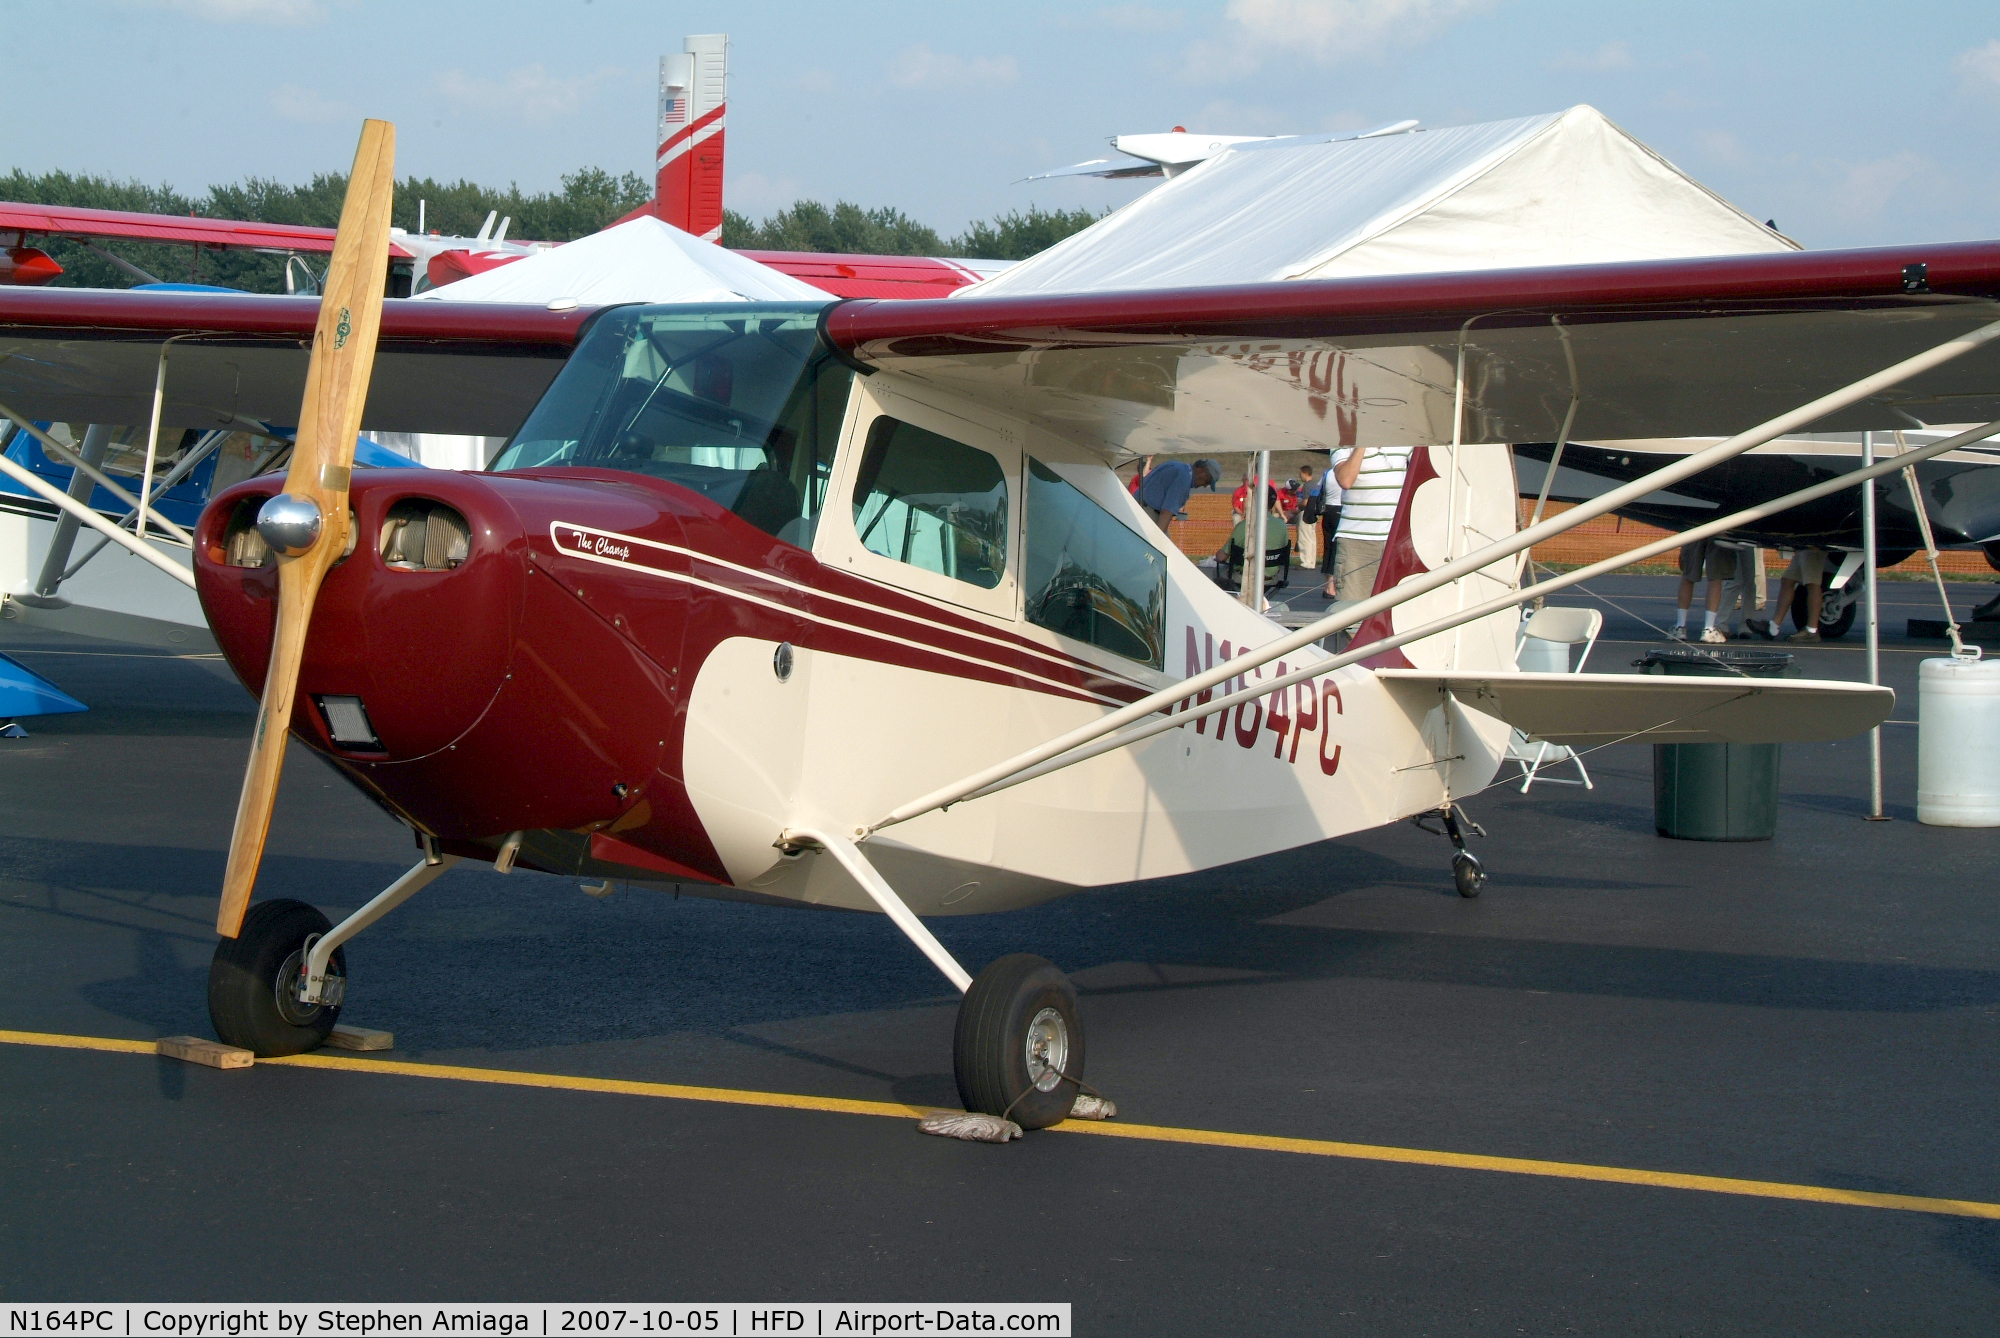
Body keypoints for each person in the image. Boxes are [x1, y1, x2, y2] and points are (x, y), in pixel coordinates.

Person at [1324, 444, 1411, 602]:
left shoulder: (1404, 439)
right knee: (1351, 613)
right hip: (1356, 543)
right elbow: (1345, 480)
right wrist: (1362, 443)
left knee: (1395, 612)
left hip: (1396, 541)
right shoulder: (1344, 440)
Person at [1136, 457, 1221, 532]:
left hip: (1137, 506)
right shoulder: (1184, 478)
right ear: (1201, 470)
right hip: (1148, 513)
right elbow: (1166, 512)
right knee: (1163, 548)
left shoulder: (1175, 465)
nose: (1205, 485)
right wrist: (1158, 540)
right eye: (1207, 481)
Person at [1670, 538, 1731, 643]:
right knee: (1715, 577)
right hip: (1718, 530)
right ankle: (1709, 628)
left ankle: (1680, 626)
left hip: (1696, 530)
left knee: (1688, 575)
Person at [1775, 545, 1828, 642]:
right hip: (1802, 547)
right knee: (1787, 580)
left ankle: (1812, 630)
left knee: (1812, 584)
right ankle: (1773, 626)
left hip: (1812, 545)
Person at [1294, 464, 1321, 570]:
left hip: (1305, 513)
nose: (1300, 476)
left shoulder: (1307, 485)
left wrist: (1297, 505)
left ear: (1305, 473)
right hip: (1313, 514)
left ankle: (1305, 562)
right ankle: (1311, 561)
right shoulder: (1316, 485)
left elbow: (1305, 502)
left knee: (1304, 538)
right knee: (1311, 539)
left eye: (1300, 474)